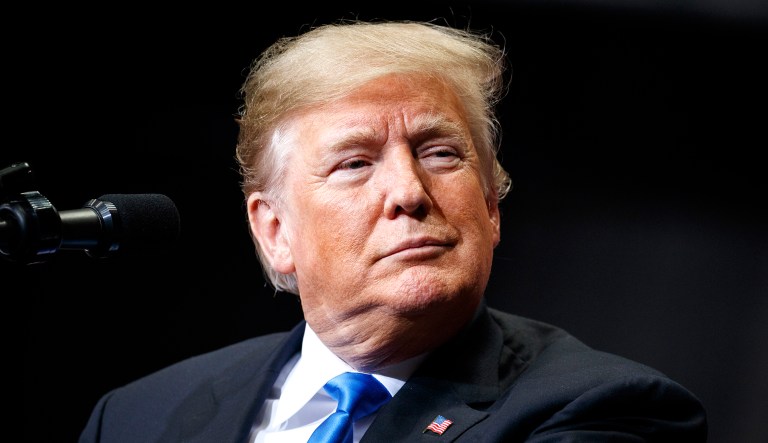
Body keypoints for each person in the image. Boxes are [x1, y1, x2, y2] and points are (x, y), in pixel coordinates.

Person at [79, 19, 707, 442]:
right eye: (354, 163)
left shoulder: (603, 410)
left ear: (490, 206)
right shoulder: (137, 417)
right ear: (274, 232)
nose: (409, 192)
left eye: (439, 153)